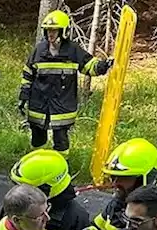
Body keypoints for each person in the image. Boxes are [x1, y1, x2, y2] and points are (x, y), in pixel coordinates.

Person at [19, 10, 112, 156]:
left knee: (61, 139)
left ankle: (61, 167)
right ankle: (36, 165)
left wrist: (103, 66)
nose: (50, 34)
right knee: (37, 138)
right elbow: (28, 72)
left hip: (62, 104)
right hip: (39, 103)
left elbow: (89, 66)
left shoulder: (72, 50)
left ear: (63, 31)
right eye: (48, 30)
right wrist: (24, 94)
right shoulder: (39, 50)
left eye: (54, 30)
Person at [6, 149, 90, 230]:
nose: (19, 191)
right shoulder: (17, 205)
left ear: (46, 189)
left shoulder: (75, 218)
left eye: (26, 188)